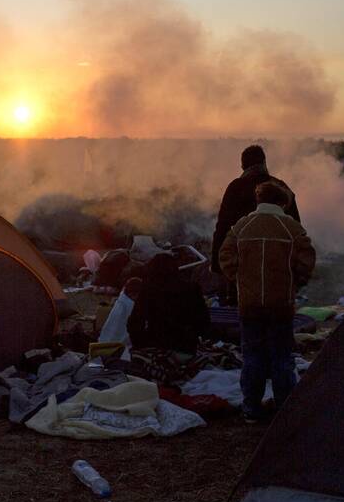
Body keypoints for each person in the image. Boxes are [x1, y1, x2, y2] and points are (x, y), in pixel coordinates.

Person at [219, 181, 316, 423]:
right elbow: (306, 262)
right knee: (282, 357)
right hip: (280, 304)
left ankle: (251, 409)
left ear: (259, 200)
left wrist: (240, 279)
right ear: (282, 202)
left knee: (252, 356)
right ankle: (284, 411)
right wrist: (294, 283)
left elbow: (225, 257)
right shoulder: (291, 228)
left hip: (249, 304)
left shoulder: (242, 227)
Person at [210, 145, 300, 305]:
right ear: (264, 162)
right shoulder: (280, 187)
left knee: (243, 315)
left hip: (244, 265)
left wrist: (217, 264)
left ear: (242, 166)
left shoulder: (235, 188)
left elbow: (222, 227)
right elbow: (297, 228)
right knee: (276, 316)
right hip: (277, 267)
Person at [127, 254, 209, 356]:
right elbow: (204, 321)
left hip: (157, 345)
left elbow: (135, 323)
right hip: (186, 347)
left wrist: (140, 346)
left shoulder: (149, 291)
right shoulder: (192, 289)